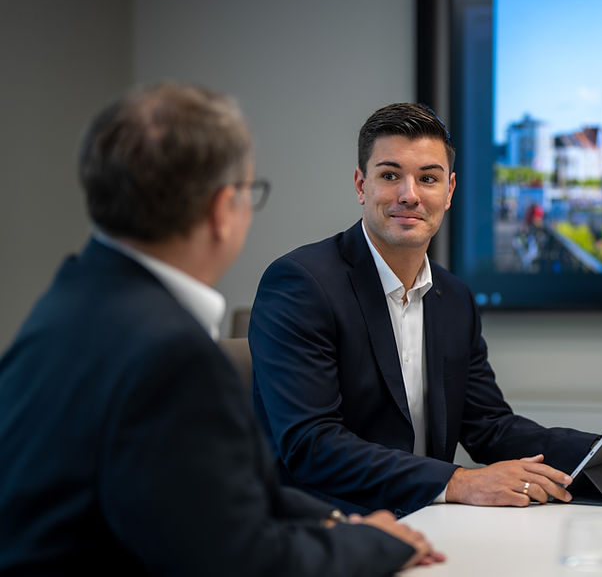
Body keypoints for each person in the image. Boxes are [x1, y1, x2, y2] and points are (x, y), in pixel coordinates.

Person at [0, 84, 442, 575]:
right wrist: (380, 547)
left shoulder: (68, 302)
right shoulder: (170, 355)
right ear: (220, 209)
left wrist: (341, 523)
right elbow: (244, 561)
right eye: (249, 193)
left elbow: (221, 496)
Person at [249, 102, 602, 516]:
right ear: (361, 185)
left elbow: (489, 427)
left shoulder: (455, 298)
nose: (409, 195)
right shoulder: (301, 284)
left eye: (427, 178)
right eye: (390, 175)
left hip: (430, 521)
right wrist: (457, 481)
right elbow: (311, 445)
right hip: (323, 530)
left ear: (448, 191)